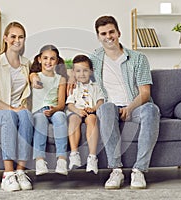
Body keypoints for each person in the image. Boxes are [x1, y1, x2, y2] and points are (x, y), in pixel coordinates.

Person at [68, 16, 160, 189]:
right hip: (109, 107)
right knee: (105, 108)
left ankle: (139, 171)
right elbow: (75, 66)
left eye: (111, 32)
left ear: (118, 33)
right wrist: (70, 76)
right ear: (98, 36)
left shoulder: (138, 59)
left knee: (151, 110)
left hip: (136, 107)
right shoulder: (95, 58)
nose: (108, 36)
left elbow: (145, 93)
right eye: (103, 33)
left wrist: (130, 107)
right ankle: (116, 170)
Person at [0, 21, 33, 192]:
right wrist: (11, 109)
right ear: (5, 38)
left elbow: (46, 74)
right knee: (11, 116)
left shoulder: (27, 64)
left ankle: (20, 172)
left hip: (19, 110)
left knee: (26, 115)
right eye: (13, 36)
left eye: (21, 37)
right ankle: (8, 175)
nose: (17, 40)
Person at [30, 44, 68, 176]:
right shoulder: (35, 75)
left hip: (54, 110)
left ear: (57, 61)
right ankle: (40, 161)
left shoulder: (61, 79)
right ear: (39, 59)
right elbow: (32, 78)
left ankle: (62, 160)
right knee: (40, 119)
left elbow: (62, 104)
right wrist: (34, 79)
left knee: (61, 117)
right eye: (45, 58)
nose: (48, 62)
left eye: (52, 59)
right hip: (38, 111)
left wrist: (54, 109)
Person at [66, 54, 104, 174]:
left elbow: (101, 100)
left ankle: (92, 157)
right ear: (73, 72)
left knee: (92, 119)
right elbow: (70, 104)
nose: (82, 74)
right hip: (77, 112)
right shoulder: (73, 87)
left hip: (90, 112)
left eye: (85, 70)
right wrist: (77, 111)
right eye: (78, 71)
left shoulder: (96, 86)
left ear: (91, 71)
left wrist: (94, 108)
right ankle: (74, 153)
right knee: (73, 120)